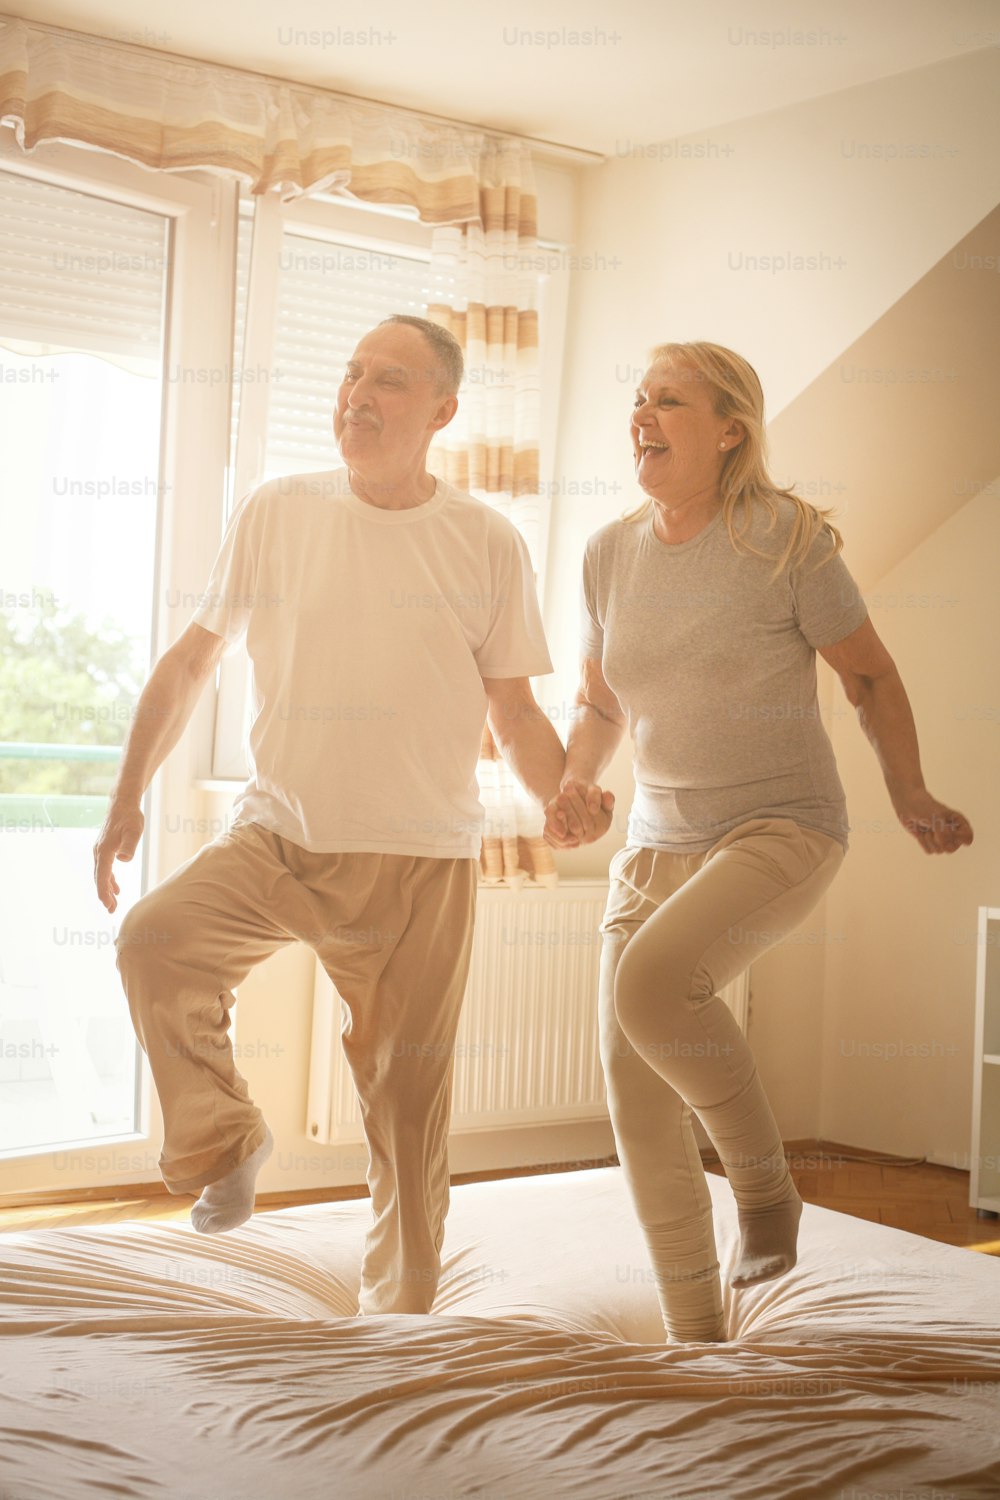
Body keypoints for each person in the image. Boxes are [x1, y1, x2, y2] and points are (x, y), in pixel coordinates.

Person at [94, 314, 568, 1316]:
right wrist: (127, 793)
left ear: (441, 411)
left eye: (389, 380)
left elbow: (514, 710)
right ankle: (225, 1138)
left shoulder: (484, 540)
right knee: (156, 942)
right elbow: (189, 663)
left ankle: (402, 1320)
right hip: (277, 837)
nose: (358, 392)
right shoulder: (278, 510)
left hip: (416, 861)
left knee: (404, 1110)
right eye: (351, 372)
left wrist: (559, 795)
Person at [543, 341, 973, 1344]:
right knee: (634, 1093)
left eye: (669, 402)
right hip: (658, 838)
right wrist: (575, 779)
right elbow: (598, 703)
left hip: (779, 825)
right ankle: (698, 1334)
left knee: (649, 988)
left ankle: (766, 1189)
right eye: (637, 399)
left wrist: (905, 790)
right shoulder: (608, 552)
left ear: (728, 427)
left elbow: (868, 677)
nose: (641, 415)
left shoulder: (785, 541)